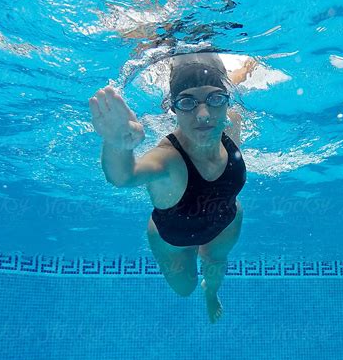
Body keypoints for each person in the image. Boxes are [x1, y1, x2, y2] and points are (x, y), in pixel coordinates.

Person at [89, 52, 247, 323]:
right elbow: (124, 176)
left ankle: (211, 293)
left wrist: (245, 69)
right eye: (187, 102)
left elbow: (228, 84)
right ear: (172, 107)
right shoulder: (168, 158)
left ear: (226, 100)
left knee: (216, 265)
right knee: (185, 288)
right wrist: (117, 144)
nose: (204, 114)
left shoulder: (230, 124)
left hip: (226, 222)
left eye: (215, 99)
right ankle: (199, 281)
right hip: (174, 238)